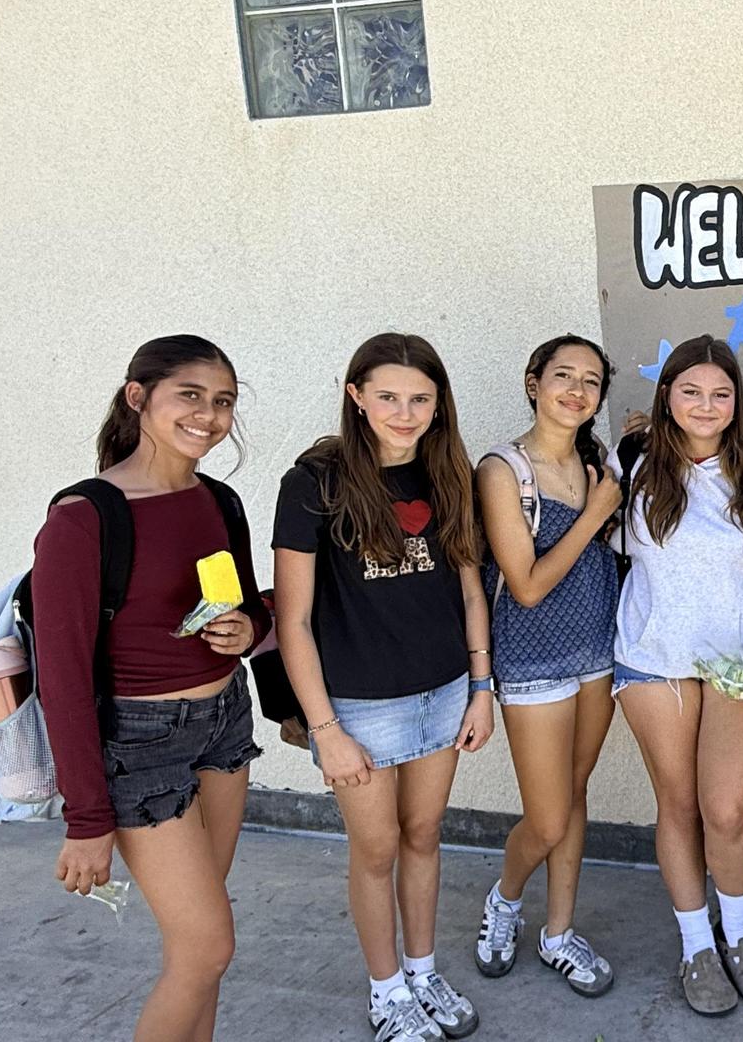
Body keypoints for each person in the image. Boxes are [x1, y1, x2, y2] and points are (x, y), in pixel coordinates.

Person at [35, 335, 268, 1042]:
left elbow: (251, 606)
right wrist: (86, 819)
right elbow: (64, 682)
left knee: (201, 946)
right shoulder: (84, 518)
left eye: (223, 401)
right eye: (189, 396)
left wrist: (245, 629)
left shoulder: (220, 500)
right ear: (139, 397)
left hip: (224, 720)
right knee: (208, 947)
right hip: (140, 746)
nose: (209, 415)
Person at [273, 333, 495, 1042]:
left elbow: (468, 588)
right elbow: (294, 619)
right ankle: (387, 989)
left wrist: (482, 686)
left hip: (443, 691)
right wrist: (325, 730)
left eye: (420, 398)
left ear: (439, 404)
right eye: (389, 396)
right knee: (375, 850)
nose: (405, 412)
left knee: (425, 836)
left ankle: (424, 973)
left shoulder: (446, 473)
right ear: (356, 396)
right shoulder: (314, 482)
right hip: (360, 707)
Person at [610, 334, 743, 1017]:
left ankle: (740, 934)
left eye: (721, 394)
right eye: (690, 391)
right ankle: (697, 942)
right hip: (653, 657)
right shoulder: (631, 462)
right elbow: (607, 546)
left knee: (727, 810)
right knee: (679, 805)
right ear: (666, 395)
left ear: (736, 403)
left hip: (741, 663)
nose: (706, 405)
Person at [472, 336, 624, 997]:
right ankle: (506, 898)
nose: (578, 390)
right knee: (549, 816)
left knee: (576, 794)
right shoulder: (503, 469)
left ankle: (559, 933)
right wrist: (594, 515)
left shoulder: (601, 463)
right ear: (534, 382)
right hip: (533, 657)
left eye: (591, 381)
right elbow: (527, 585)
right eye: (564, 375)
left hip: (600, 650)